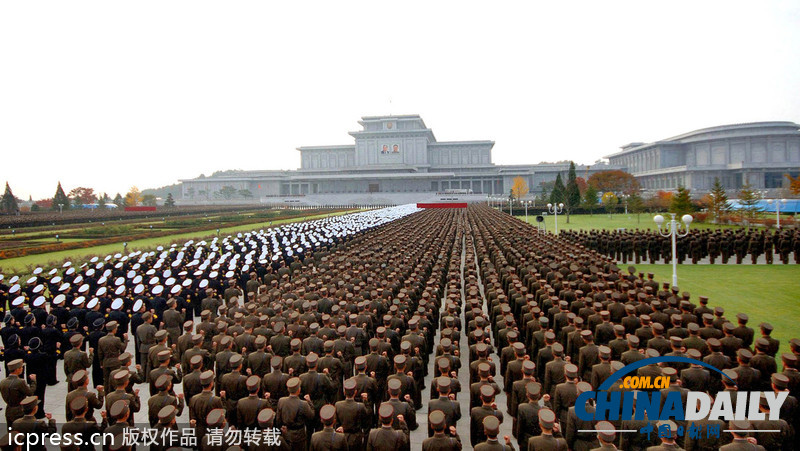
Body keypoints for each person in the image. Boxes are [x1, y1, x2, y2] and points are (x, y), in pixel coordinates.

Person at [0, 359, 36, 426]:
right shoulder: (20, 382)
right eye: (21, 367)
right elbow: (30, 393)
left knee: (11, 431)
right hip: (19, 410)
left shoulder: (3, 382)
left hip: (8, 409)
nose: (22, 369)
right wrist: (33, 381)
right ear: (17, 370)